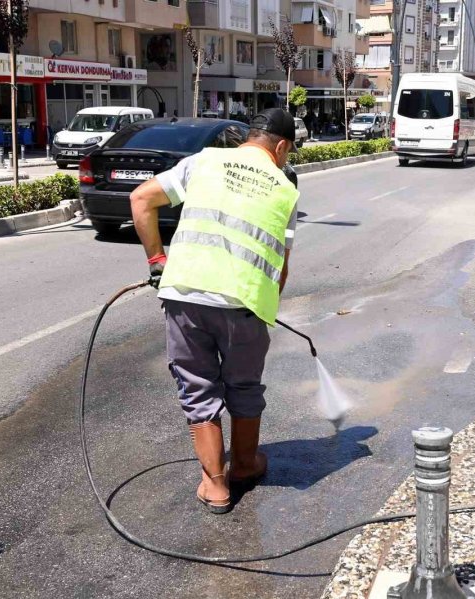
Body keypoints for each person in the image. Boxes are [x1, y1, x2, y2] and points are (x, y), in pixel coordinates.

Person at [129, 108, 299, 514]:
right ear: (280, 146)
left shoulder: (204, 161)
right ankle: (243, 465)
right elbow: (281, 267)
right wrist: (263, 310)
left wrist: (157, 260)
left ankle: (215, 485)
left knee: (197, 387)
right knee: (244, 385)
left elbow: (140, 199)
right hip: (244, 303)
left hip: (187, 293)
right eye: (289, 152)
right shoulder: (285, 188)